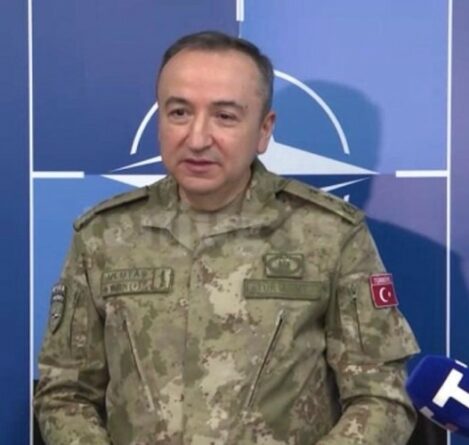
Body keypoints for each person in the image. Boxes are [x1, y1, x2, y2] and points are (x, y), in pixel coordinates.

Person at [34, 31, 420, 445]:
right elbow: (65, 394)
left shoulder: (329, 235)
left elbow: (382, 398)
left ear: (264, 130)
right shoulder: (104, 236)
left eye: (225, 116)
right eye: (179, 112)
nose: (198, 138)